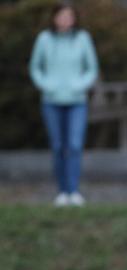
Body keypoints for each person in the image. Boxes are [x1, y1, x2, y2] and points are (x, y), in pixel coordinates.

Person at [29, 2, 98, 207]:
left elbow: (92, 68)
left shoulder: (83, 38)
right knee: (58, 146)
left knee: (74, 146)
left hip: (77, 100)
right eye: (61, 16)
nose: (65, 20)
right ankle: (62, 191)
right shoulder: (44, 39)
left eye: (69, 16)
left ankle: (73, 191)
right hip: (52, 100)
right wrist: (46, 85)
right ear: (54, 18)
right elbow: (35, 67)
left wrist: (80, 85)